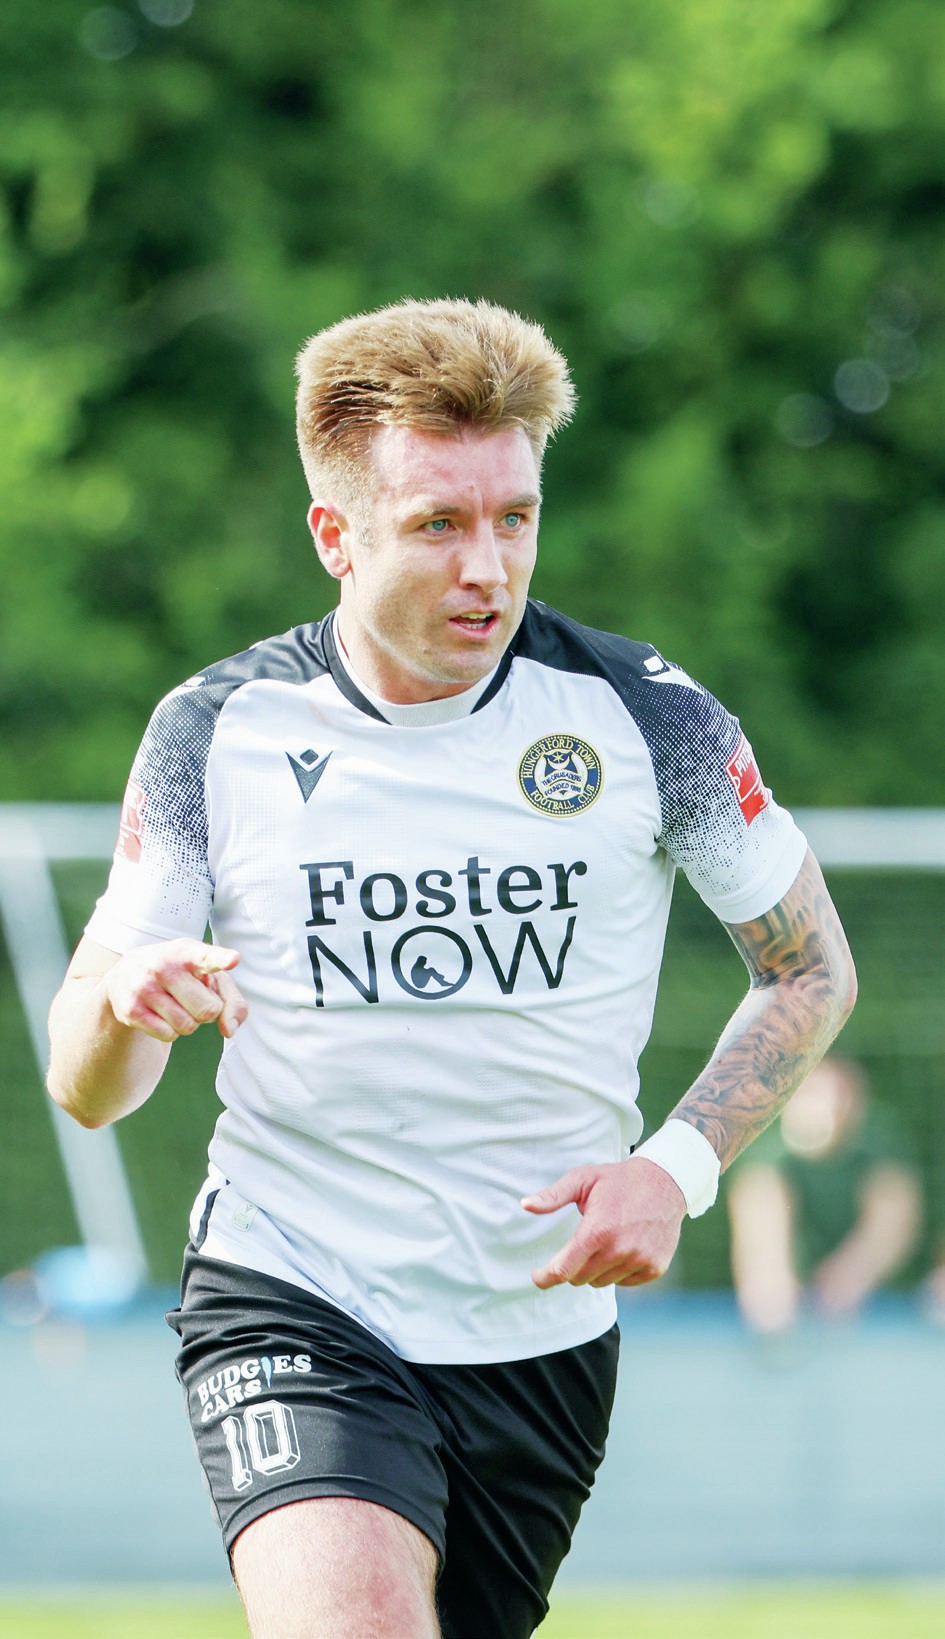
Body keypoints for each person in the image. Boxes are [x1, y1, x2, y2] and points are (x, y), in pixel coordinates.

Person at [46, 297, 857, 1639]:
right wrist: (129, 1009)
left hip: (536, 1337)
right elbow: (88, 1087)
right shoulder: (218, 729)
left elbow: (810, 971)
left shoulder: (646, 718)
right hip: (292, 1285)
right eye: (437, 525)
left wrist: (675, 1167)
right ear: (336, 535)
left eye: (514, 518)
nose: (489, 567)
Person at [727, 1054, 921, 1333]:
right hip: (793, 1312)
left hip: (887, 1310)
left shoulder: (881, 1142)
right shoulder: (765, 1152)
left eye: (836, 1093)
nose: (825, 1106)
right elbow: (760, 1233)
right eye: (812, 1092)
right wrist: (771, 1292)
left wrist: (848, 1279)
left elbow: (892, 1222)